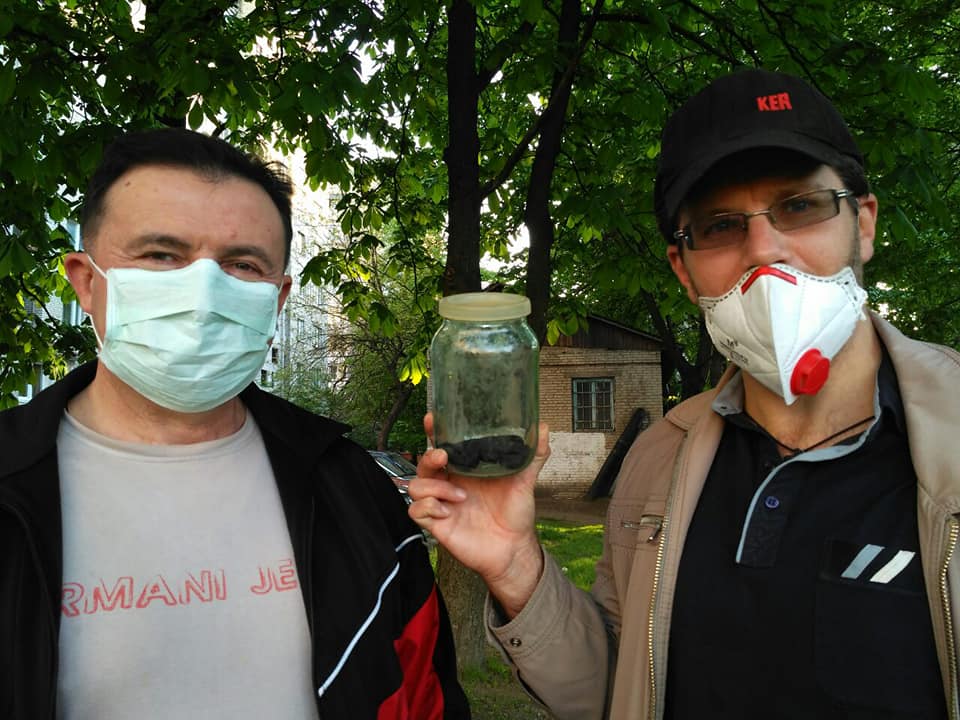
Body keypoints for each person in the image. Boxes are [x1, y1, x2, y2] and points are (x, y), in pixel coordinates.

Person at [408, 68, 960, 719]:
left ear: (862, 222)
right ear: (684, 270)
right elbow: (620, 693)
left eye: (799, 206)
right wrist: (515, 565)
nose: (765, 251)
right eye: (721, 226)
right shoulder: (658, 459)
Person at [0, 128, 469, 719]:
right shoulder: (10, 482)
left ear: (278, 300)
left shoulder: (352, 490)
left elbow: (423, 698)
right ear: (87, 281)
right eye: (161, 255)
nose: (203, 293)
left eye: (242, 264)